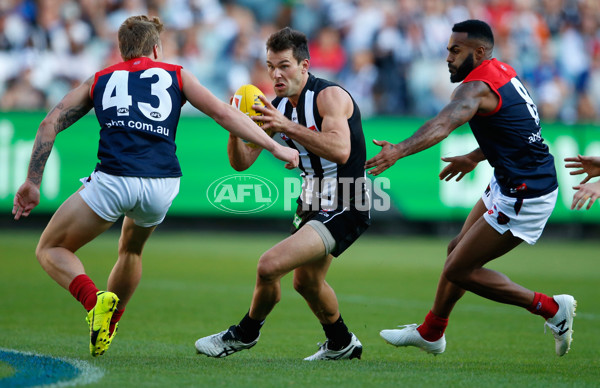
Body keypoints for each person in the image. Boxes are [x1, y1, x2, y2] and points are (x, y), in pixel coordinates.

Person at [12, 15, 298, 358]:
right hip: (162, 186)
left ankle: (95, 301)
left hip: (113, 181)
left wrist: (32, 182)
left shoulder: (101, 78)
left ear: (121, 51)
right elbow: (224, 114)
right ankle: (111, 321)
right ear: (156, 49)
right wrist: (276, 146)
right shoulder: (176, 74)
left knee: (50, 249)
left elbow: (48, 124)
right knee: (131, 249)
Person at [365, 20, 576, 357]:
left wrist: (398, 150)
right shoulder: (501, 71)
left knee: (459, 270)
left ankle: (551, 309)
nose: (447, 57)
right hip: (511, 180)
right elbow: (517, 132)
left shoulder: (474, 88)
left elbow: (443, 123)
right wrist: (476, 156)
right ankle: (432, 332)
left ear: (478, 52)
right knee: (456, 251)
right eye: (448, 49)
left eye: (455, 50)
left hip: (526, 193)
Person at [194, 27, 370, 360]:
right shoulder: (276, 107)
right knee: (306, 283)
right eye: (270, 66)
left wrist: (285, 126)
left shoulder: (328, 97)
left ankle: (243, 334)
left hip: (347, 199)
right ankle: (342, 344)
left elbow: (341, 150)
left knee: (269, 265)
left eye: (284, 65)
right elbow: (242, 163)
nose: (275, 73)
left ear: (305, 65)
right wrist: (234, 128)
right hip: (311, 202)